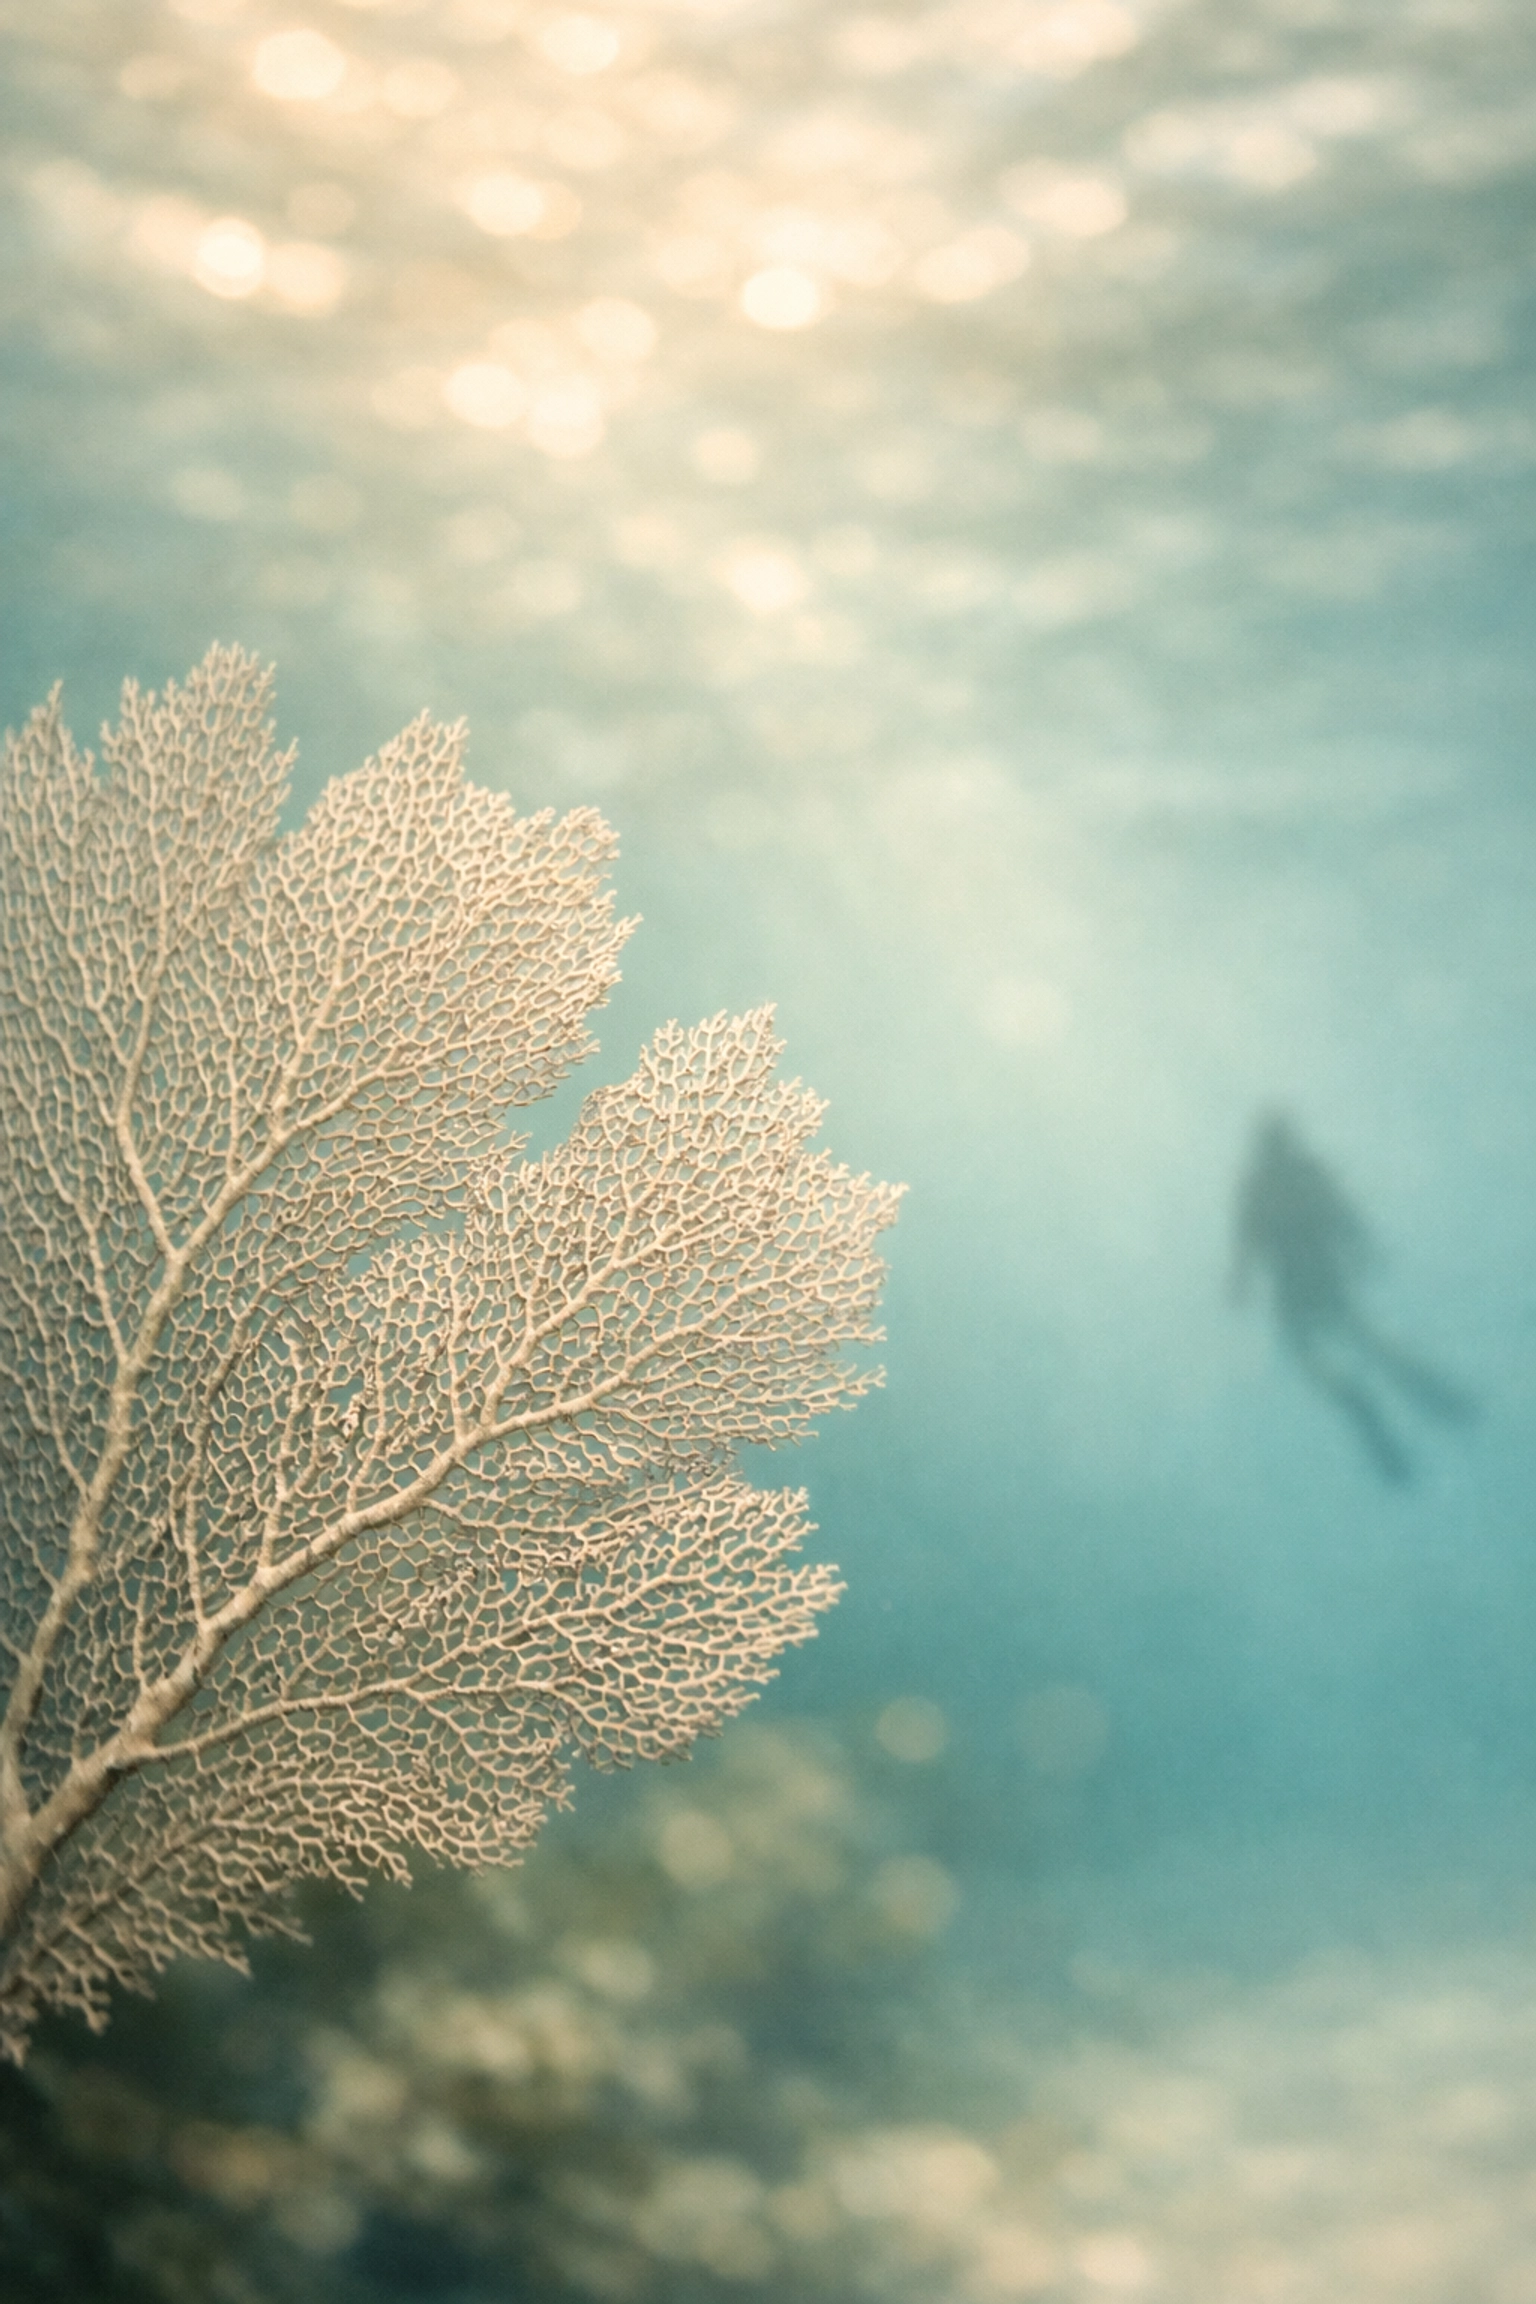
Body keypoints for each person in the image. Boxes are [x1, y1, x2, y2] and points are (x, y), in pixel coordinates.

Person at [1231, 1109, 1476, 1484]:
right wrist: (1364, 1250)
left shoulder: (1262, 1184)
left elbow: (1249, 1242)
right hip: (1320, 1277)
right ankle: (1406, 1389)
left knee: (1312, 1354)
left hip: (1296, 1285)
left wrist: (1240, 1282)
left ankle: (1358, 1400)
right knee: (1354, 1340)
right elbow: (1342, 1215)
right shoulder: (1301, 1174)